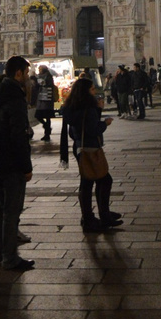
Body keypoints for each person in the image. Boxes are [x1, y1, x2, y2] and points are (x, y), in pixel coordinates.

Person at [0, 56, 34, 271]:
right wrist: (26, 166)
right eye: (27, 73)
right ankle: (10, 257)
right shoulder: (15, 97)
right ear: (18, 73)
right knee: (12, 210)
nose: (28, 78)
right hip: (11, 162)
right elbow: (18, 136)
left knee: (1, 209)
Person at [61, 76, 123, 232]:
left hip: (80, 148)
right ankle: (99, 217)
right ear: (86, 91)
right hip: (91, 149)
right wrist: (105, 123)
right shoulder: (88, 108)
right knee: (103, 180)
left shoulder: (73, 106)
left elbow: (72, 131)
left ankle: (92, 217)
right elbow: (93, 129)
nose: (95, 92)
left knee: (88, 182)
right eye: (92, 89)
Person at [34, 65, 56, 140]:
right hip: (41, 98)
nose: (39, 70)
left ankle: (47, 134)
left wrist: (42, 83)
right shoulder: (38, 76)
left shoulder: (48, 76)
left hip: (47, 98)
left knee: (47, 116)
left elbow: (48, 85)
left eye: (40, 69)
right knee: (39, 116)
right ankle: (47, 127)